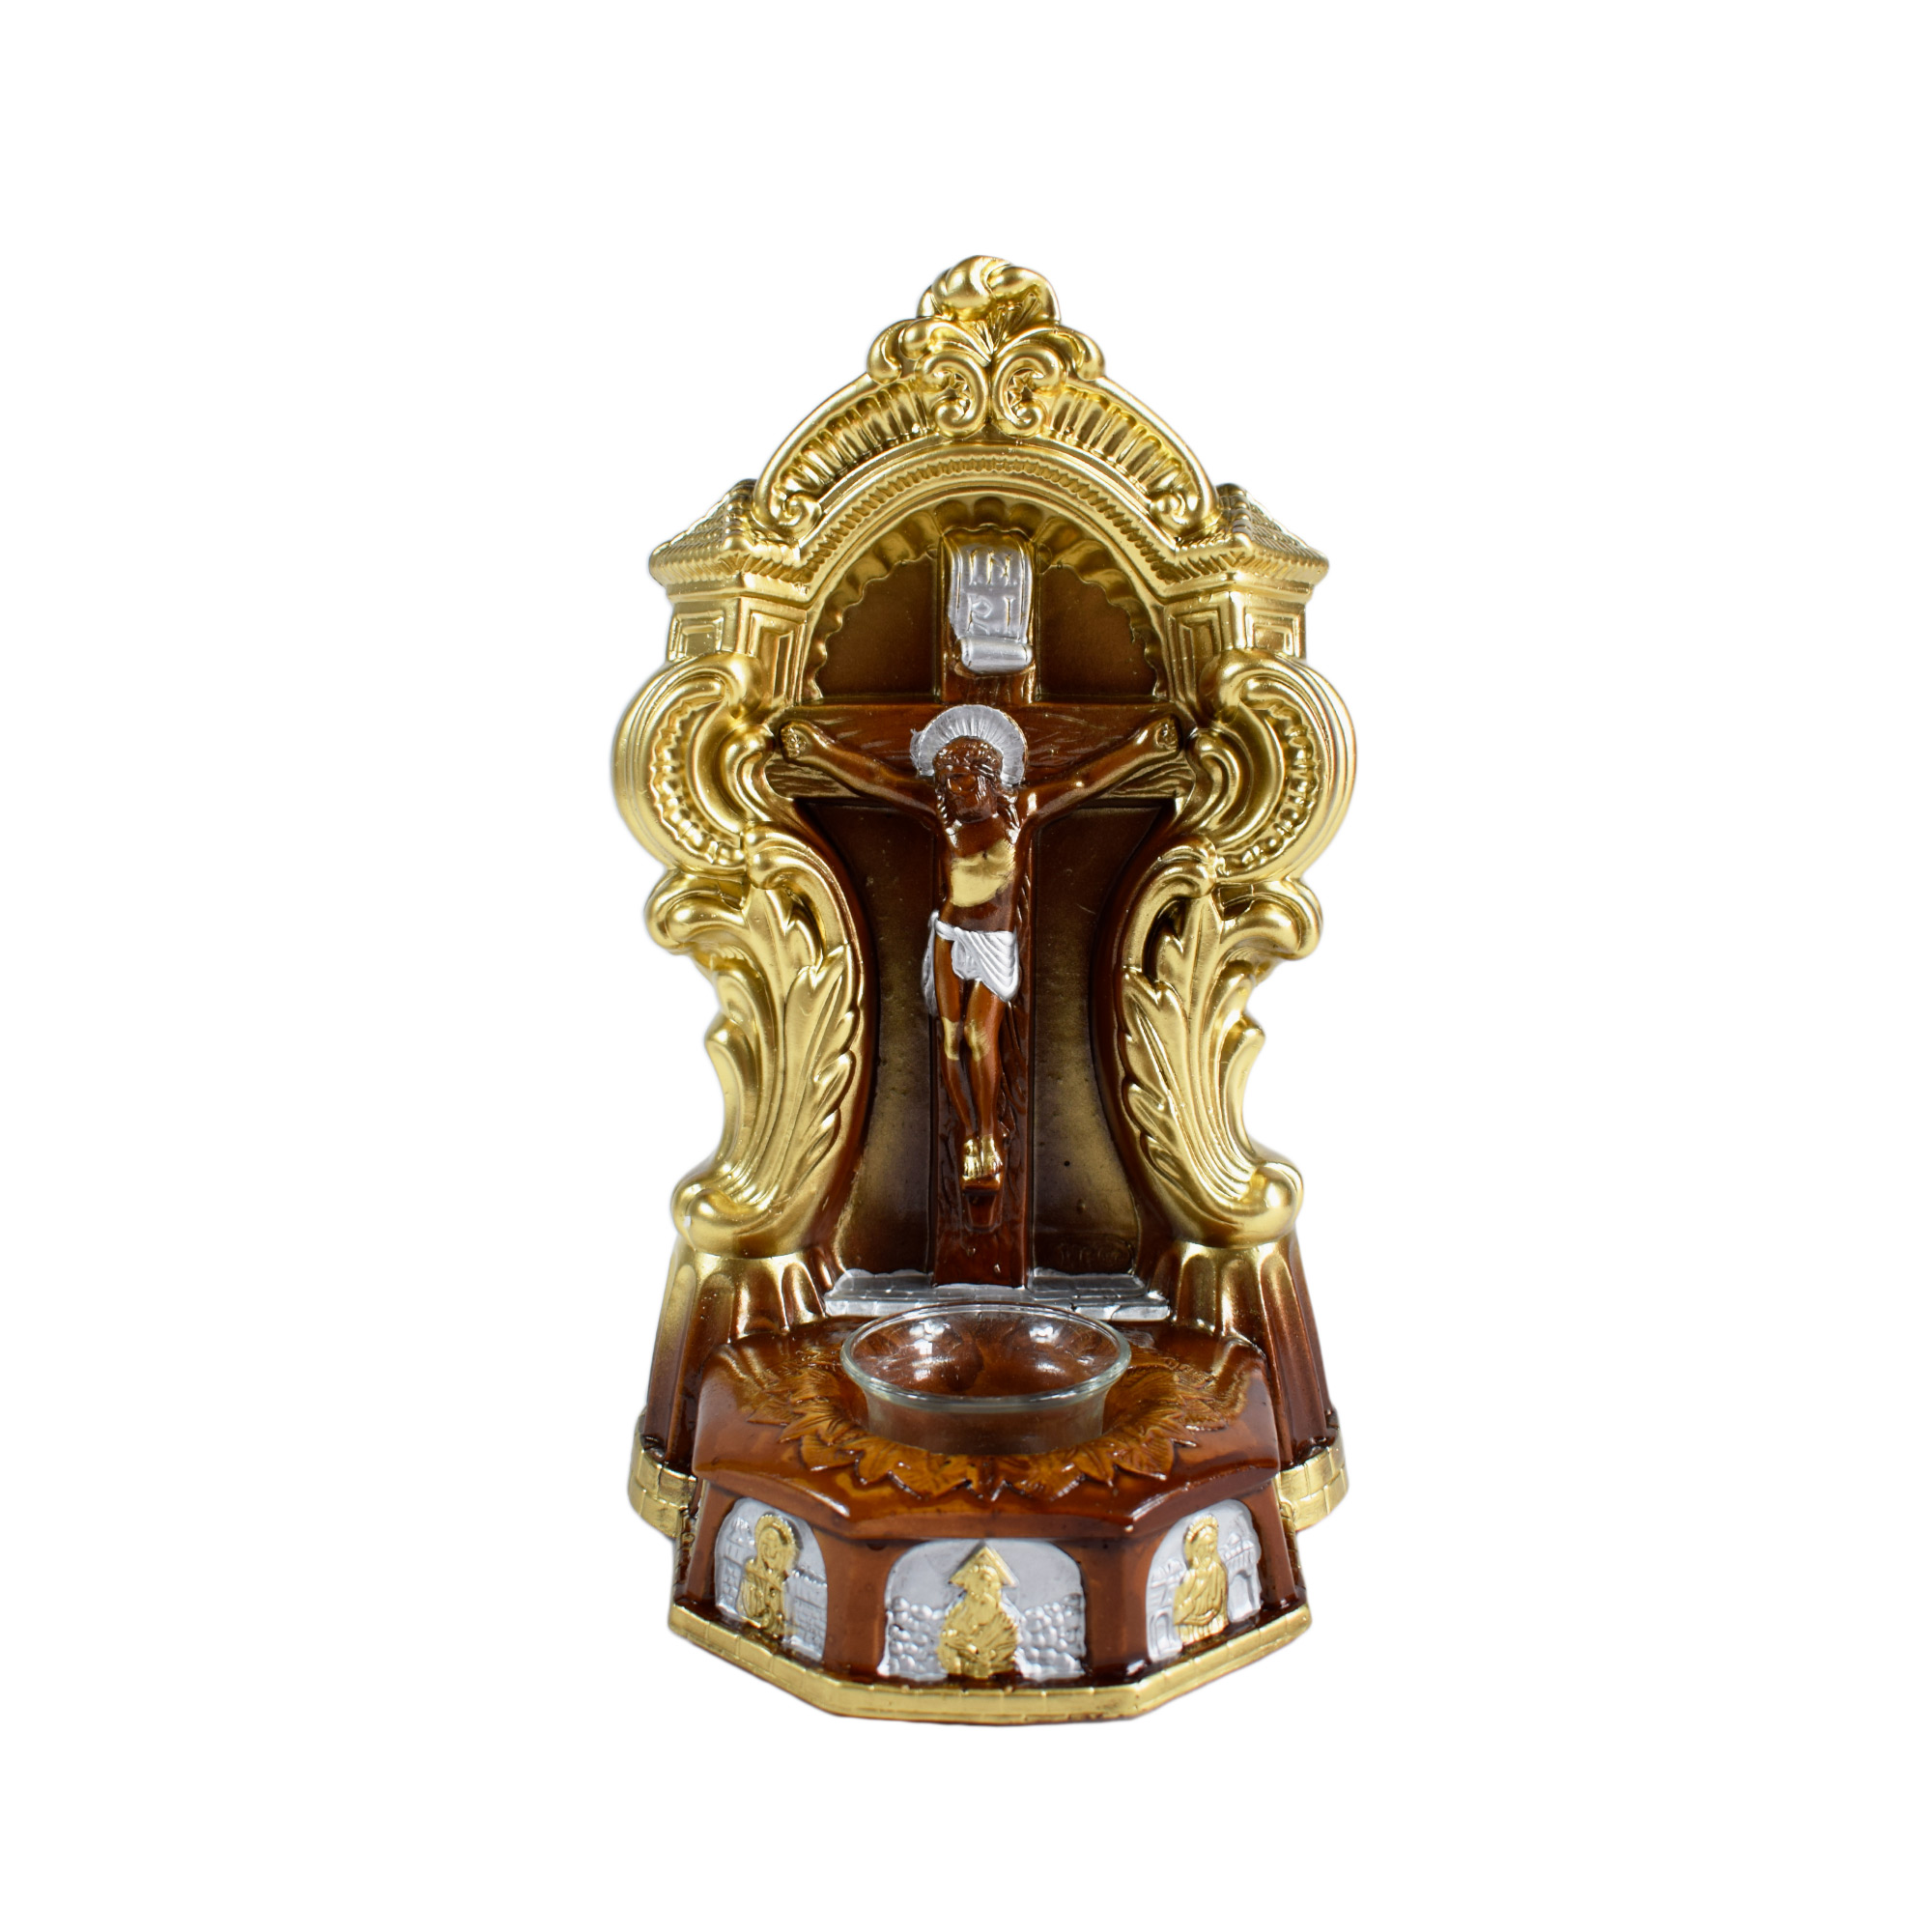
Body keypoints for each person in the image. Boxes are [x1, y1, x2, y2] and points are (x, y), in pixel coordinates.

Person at [781, 701, 1179, 1192]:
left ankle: (988, 1131)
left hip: (993, 943)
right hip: (949, 937)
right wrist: (818, 752)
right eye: (946, 781)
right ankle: (971, 1134)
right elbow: (876, 778)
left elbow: (1083, 781)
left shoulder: (1021, 812)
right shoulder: (941, 813)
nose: (952, 790)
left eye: (962, 779)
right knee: (950, 1042)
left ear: (989, 776)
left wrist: (1144, 749)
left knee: (979, 1036)